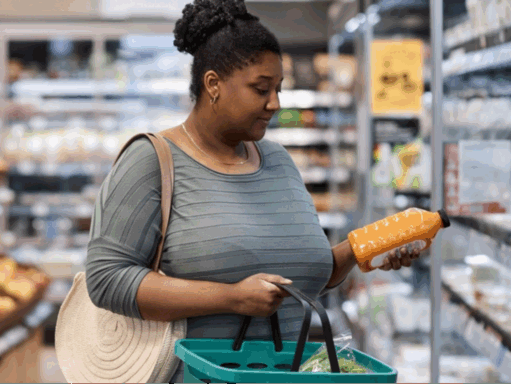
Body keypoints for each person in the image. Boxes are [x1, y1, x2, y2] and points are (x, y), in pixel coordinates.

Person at [85, 0, 423, 381]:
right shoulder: (151, 160)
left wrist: (362, 250)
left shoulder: (278, 161)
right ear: (213, 84)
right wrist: (230, 298)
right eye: (261, 89)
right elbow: (106, 279)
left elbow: (305, 275)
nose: (275, 103)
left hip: (285, 373)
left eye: (278, 88)